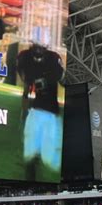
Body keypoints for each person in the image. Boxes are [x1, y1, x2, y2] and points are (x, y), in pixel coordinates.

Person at [16, 42, 64, 181]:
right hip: (38, 110)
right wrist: (24, 112)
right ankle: (32, 177)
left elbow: (63, 79)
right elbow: (26, 89)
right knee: (31, 155)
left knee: (49, 160)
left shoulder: (52, 60)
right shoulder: (27, 59)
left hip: (49, 112)